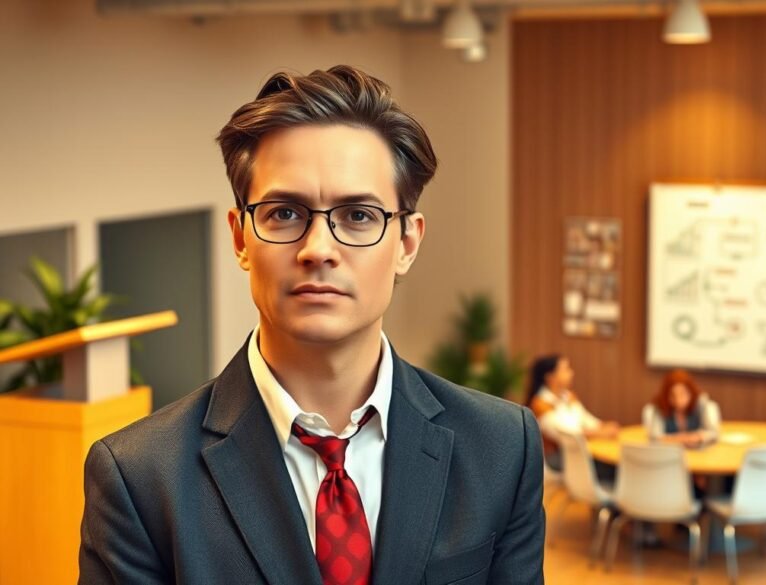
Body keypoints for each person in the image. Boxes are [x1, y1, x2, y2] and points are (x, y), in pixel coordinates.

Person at [79, 66, 545, 584]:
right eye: (283, 213)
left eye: (359, 216)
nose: (318, 250)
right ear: (240, 238)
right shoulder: (141, 476)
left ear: (407, 244)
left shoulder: (502, 447)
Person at [525, 354, 619, 472]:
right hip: (556, 456)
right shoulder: (539, 404)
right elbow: (567, 434)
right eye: (565, 369)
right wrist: (599, 432)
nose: (571, 373)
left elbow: (586, 419)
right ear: (550, 377)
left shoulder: (568, 396)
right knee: (611, 469)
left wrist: (603, 426)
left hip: (578, 450)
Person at [644, 369, 720, 448]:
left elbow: (714, 433)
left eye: (683, 394)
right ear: (666, 395)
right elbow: (654, 437)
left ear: (691, 392)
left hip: (698, 455)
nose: (678, 400)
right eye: (673, 396)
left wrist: (698, 437)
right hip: (669, 455)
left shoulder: (700, 403)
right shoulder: (660, 405)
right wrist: (679, 439)